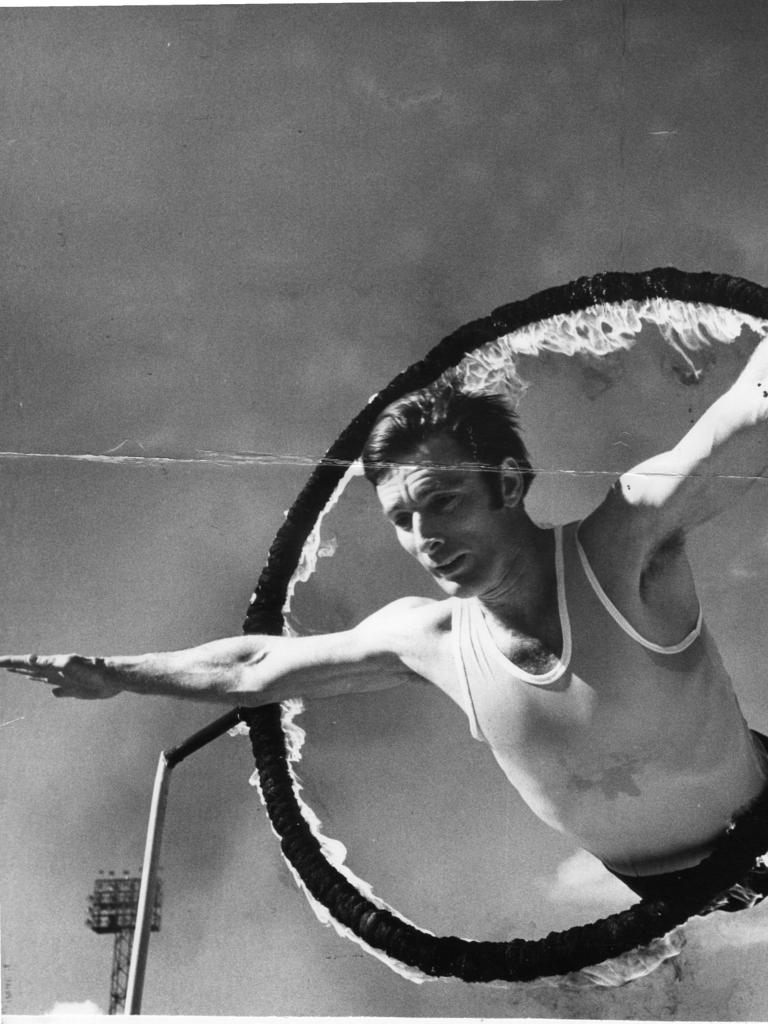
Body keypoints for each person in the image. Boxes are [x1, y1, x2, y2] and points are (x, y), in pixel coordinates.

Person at [5, 338, 768, 907]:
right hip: (662, 901)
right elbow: (253, 669)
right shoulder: (426, 637)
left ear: (507, 482)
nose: (424, 536)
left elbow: (738, 418)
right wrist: (112, 674)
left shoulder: (622, 539)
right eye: (402, 517)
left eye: (442, 499)